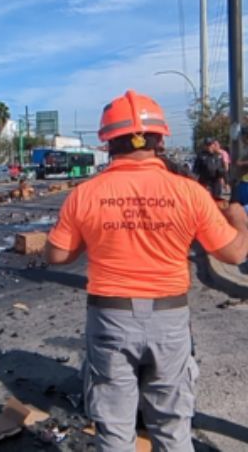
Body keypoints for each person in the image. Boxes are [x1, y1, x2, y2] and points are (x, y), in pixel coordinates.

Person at [46, 89, 248, 451]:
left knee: (114, 430)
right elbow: (233, 253)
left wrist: (86, 238)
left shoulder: (85, 194)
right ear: (159, 140)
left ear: (108, 143)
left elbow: (56, 256)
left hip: (110, 318)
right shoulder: (189, 193)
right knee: (172, 427)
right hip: (169, 320)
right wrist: (241, 221)